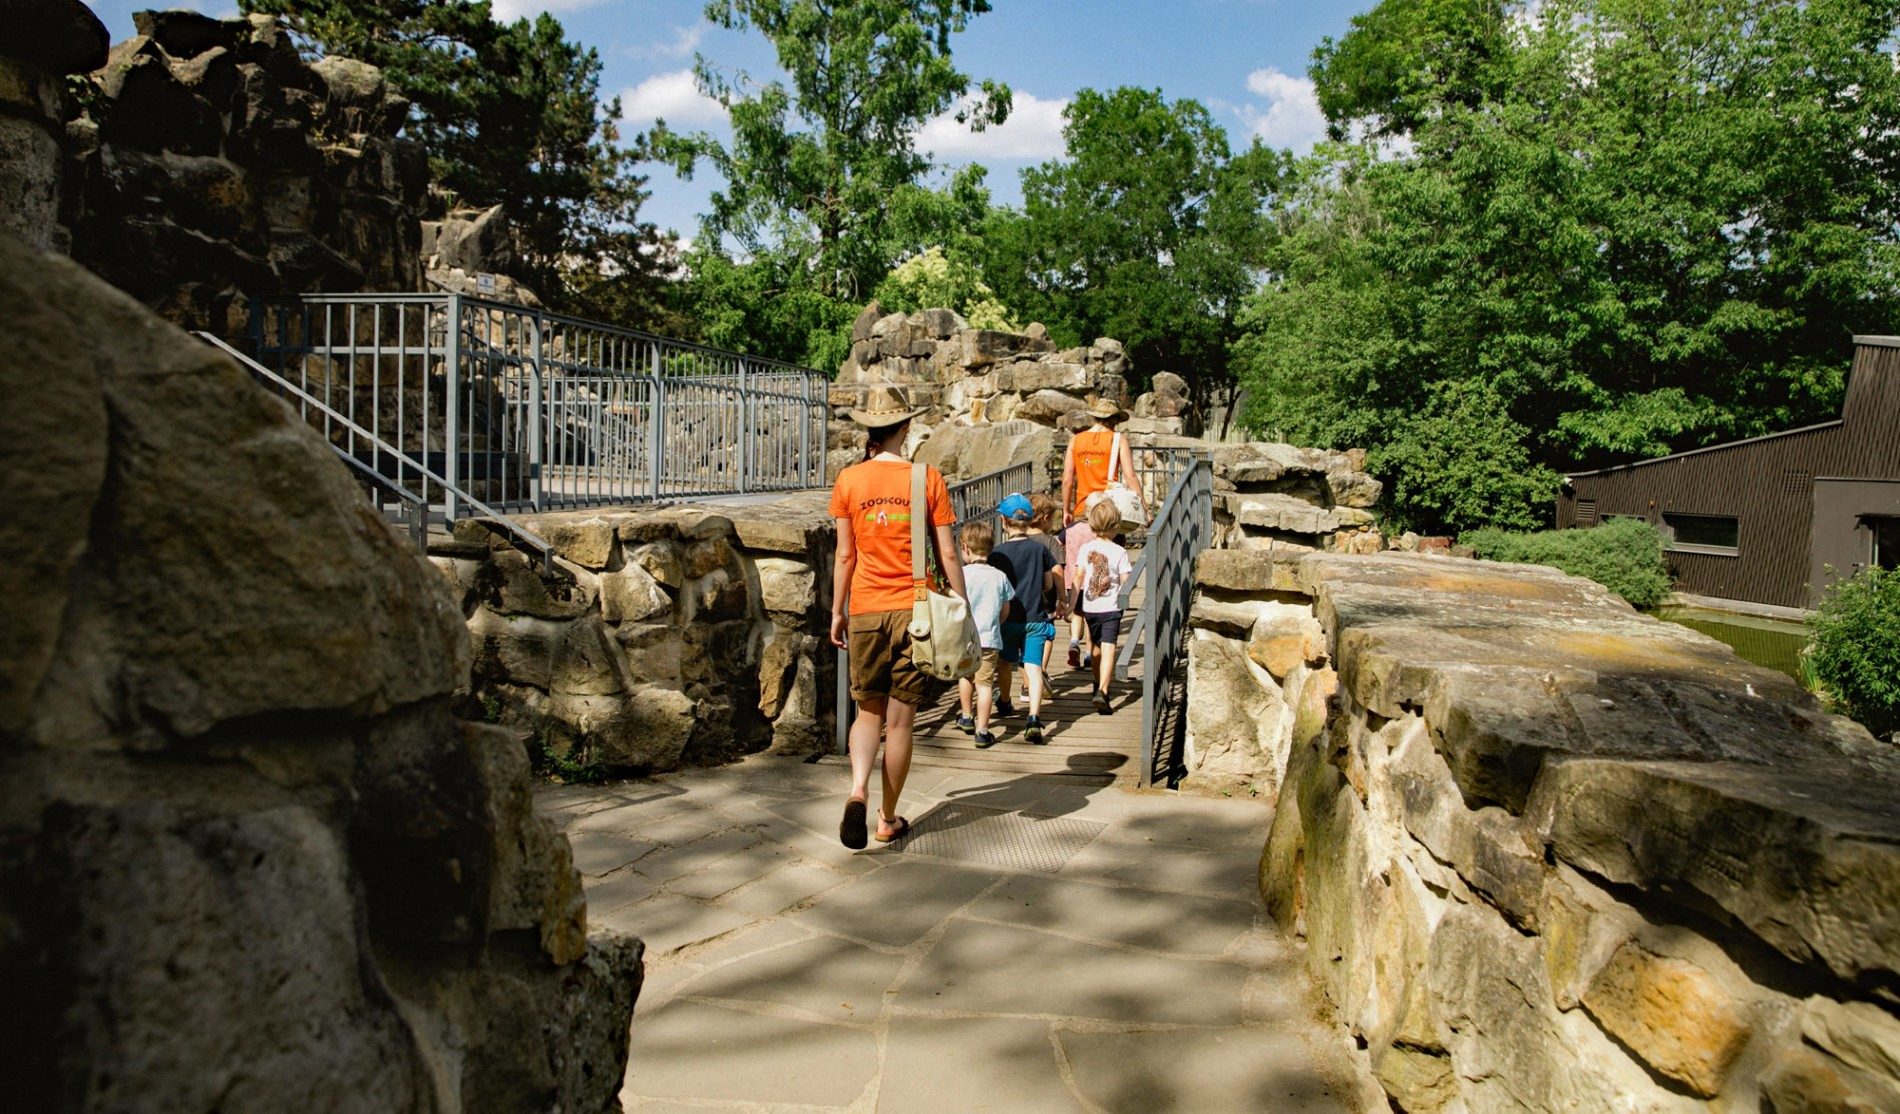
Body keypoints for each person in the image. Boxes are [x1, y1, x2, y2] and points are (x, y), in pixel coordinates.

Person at [828, 387, 965, 849]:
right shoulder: (927, 478)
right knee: (901, 721)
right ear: (905, 428)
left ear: (870, 429)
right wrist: (961, 607)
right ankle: (887, 818)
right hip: (915, 611)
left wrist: (836, 610)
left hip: (865, 608)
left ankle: (857, 789)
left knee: (868, 710)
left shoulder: (849, 480)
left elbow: (845, 555)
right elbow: (946, 550)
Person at [1061, 398, 1145, 669]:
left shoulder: (1077, 440)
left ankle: (1074, 640)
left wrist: (1066, 509)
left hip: (1082, 515)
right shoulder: (1118, 439)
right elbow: (1130, 476)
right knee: (1103, 581)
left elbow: (1067, 479)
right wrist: (1142, 505)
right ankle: (1092, 650)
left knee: (1079, 576)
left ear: (1095, 417)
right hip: (1109, 515)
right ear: (1115, 420)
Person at [990, 493, 1061, 743]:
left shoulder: (997, 554)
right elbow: (1047, 583)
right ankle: (1033, 717)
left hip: (1007, 619)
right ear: (1030, 519)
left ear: (1003, 521)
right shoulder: (1040, 549)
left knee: (1005, 663)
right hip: (1036, 617)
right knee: (1033, 666)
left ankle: (1006, 702)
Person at [953, 521, 1012, 749]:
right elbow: (1005, 609)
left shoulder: (961, 575)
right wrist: (997, 622)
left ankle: (967, 717)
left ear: (965, 548)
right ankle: (983, 730)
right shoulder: (999, 576)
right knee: (985, 684)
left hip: (965, 637)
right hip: (989, 637)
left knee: (965, 676)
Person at [1075, 500, 1134, 714]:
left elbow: (1079, 575)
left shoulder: (1085, 548)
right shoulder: (1119, 552)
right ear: (1116, 526)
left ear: (1091, 525)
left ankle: (1096, 684)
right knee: (1109, 647)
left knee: (1095, 648)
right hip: (1112, 606)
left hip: (1090, 606)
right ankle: (1104, 690)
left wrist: (1072, 602)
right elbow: (1127, 580)